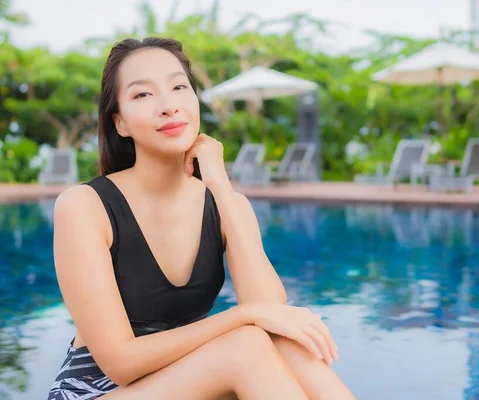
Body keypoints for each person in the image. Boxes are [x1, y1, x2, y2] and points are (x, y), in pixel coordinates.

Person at [48, 37, 355, 400]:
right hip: (96, 391)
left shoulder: (225, 204)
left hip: (185, 379)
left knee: (281, 340)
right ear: (120, 123)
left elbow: (272, 313)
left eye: (179, 87)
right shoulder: (85, 206)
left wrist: (222, 188)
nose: (168, 106)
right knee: (247, 344)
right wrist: (244, 316)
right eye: (143, 95)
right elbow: (120, 363)